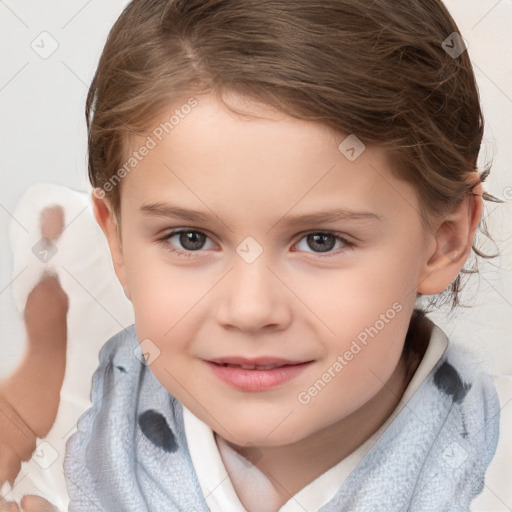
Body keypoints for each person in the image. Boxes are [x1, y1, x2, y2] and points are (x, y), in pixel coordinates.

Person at [3, 0, 512, 510]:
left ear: (444, 239)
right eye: (190, 239)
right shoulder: (55, 411)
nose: (249, 310)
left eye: (321, 241)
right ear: (115, 239)